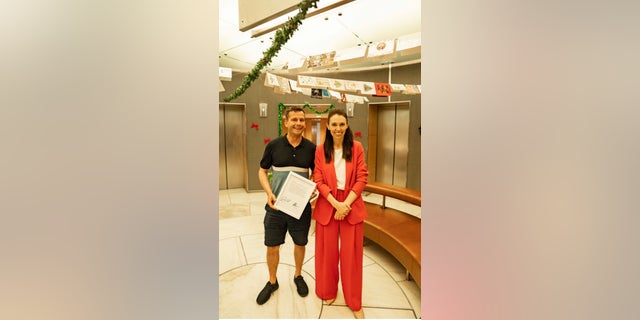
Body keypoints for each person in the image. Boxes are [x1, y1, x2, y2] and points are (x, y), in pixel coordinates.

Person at [256, 106, 316, 305]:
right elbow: (262, 171)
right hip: (276, 207)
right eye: (294, 120)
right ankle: (272, 282)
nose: (298, 123)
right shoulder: (273, 146)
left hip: (300, 208)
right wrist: (268, 193)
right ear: (286, 122)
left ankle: (298, 276)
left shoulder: (311, 148)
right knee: (272, 246)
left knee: (300, 243)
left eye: (301, 120)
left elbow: (317, 174)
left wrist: (312, 188)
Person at [313, 108, 368, 318]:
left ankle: (354, 301)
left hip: (351, 204)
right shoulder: (320, 151)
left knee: (351, 256)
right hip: (329, 204)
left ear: (347, 126)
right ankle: (327, 290)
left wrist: (346, 204)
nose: (338, 128)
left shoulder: (357, 148)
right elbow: (318, 179)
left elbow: (362, 177)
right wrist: (337, 204)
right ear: (328, 126)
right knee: (326, 254)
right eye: (334, 124)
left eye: (341, 124)